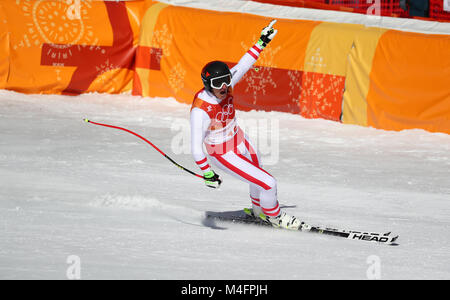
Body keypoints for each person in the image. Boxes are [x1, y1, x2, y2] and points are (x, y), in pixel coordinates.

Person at [190, 20, 302, 230]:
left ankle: (259, 210)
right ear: (208, 85)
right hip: (221, 151)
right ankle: (275, 217)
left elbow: (243, 64)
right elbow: (196, 147)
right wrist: (207, 172)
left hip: (237, 138)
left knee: (257, 170)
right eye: (218, 84)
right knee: (269, 183)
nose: (224, 87)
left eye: (226, 80)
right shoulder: (201, 109)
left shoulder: (226, 83)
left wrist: (261, 42)